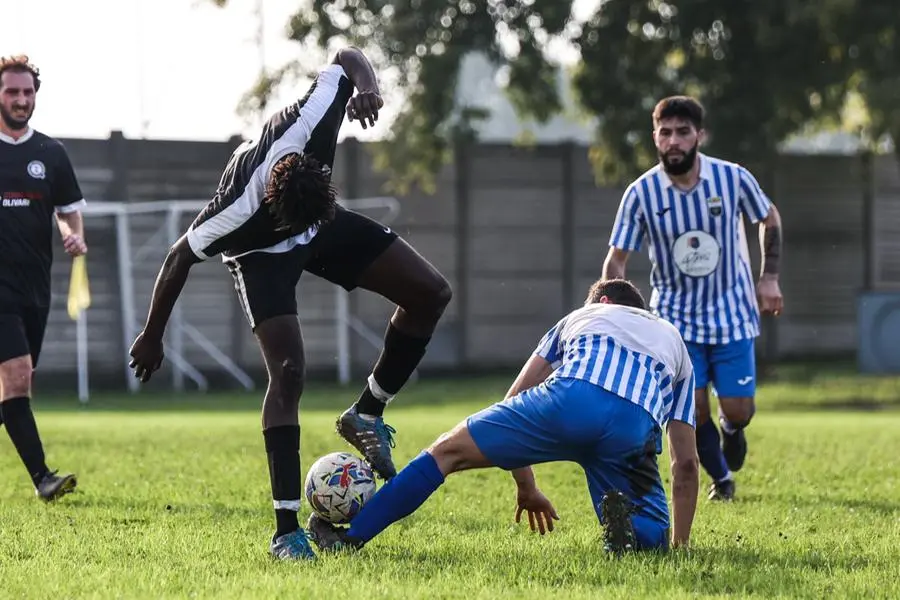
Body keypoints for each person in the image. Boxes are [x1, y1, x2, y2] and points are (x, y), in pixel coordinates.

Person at [127, 46, 451, 561]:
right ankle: (285, 531)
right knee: (289, 372)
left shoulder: (313, 121)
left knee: (431, 292)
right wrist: (151, 334)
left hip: (319, 219)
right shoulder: (231, 215)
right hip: (260, 255)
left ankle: (367, 413)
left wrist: (368, 87)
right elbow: (176, 259)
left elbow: (348, 55)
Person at [305, 278, 699, 556]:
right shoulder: (674, 340)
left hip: (571, 398)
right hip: (633, 424)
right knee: (652, 532)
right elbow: (685, 463)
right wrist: (682, 547)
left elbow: (517, 395)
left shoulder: (583, 316)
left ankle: (351, 538)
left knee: (446, 452)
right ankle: (640, 536)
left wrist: (526, 486)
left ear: (602, 304)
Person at [602, 96, 784, 501]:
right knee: (691, 412)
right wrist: (613, 312)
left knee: (738, 410)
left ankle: (733, 429)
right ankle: (722, 481)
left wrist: (768, 277)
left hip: (732, 313)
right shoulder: (641, 193)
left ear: (699, 135)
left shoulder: (731, 178)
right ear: (655, 138)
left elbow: (768, 217)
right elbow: (616, 259)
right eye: (665, 133)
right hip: (675, 322)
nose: (674, 141)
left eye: (683, 132)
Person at [0, 55, 87, 501]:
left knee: (15, 384)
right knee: (17, 377)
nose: (20, 99)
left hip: (36, 285)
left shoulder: (51, 153)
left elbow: (68, 210)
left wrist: (73, 236)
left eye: (27, 92)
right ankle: (43, 480)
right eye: (12, 92)